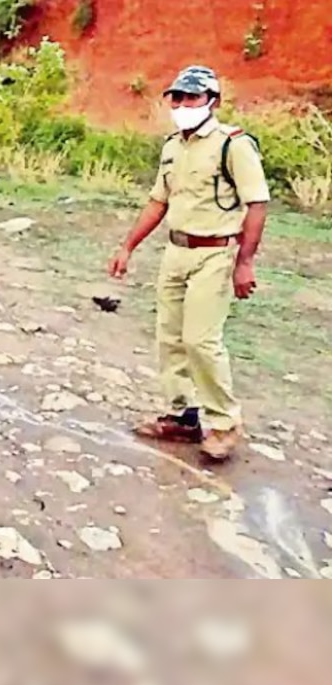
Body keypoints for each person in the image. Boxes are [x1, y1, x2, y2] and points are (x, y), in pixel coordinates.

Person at [108, 64, 270, 461]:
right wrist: (128, 245)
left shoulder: (233, 144)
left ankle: (224, 422)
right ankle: (182, 416)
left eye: (191, 97)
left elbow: (257, 203)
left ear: (213, 101)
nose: (182, 105)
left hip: (216, 252)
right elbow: (158, 201)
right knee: (171, 337)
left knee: (201, 340)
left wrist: (244, 262)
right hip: (177, 251)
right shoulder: (173, 146)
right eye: (176, 97)